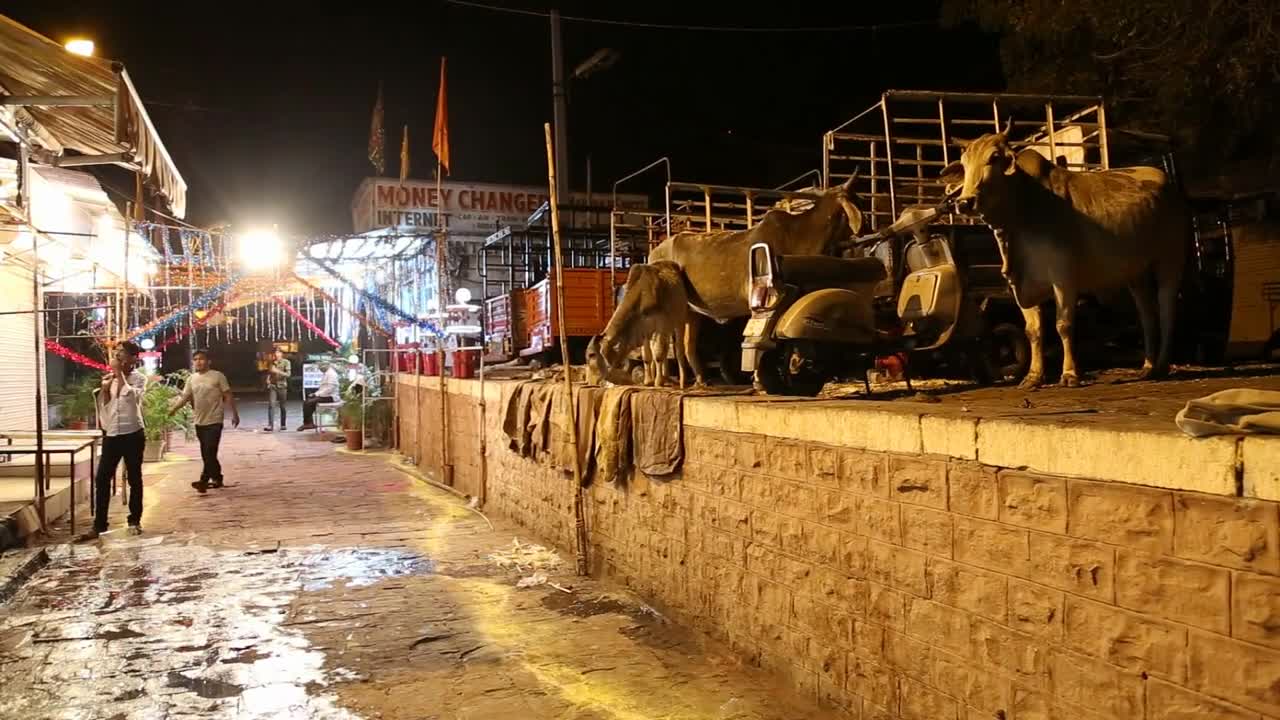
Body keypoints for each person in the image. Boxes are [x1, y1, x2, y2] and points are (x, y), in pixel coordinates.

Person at [81, 341, 147, 540]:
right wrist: (104, 390)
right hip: (112, 434)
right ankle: (99, 524)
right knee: (102, 478)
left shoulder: (139, 379)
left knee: (134, 478)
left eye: (123, 353)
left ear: (134, 358)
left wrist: (118, 375)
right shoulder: (110, 379)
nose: (118, 356)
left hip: (133, 433)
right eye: (117, 353)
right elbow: (106, 407)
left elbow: (131, 398)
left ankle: (134, 520)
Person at [170, 349, 240, 493]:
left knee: (209, 450)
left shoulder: (217, 376)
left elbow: (228, 394)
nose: (198, 362)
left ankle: (203, 480)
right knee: (207, 453)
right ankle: (217, 477)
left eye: (201, 359)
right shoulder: (192, 379)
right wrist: (173, 410)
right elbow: (185, 397)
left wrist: (234, 413)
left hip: (215, 419)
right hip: (199, 421)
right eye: (195, 359)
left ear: (209, 361)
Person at [299, 361, 339, 430]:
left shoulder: (331, 374)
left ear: (327, 366)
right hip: (325, 395)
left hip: (331, 396)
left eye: (321, 367)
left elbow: (329, 389)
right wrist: (315, 394)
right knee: (307, 401)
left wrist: (318, 395)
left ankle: (308, 423)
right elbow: (323, 388)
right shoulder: (326, 373)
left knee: (309, 403)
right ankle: (308, 422)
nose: (320, 369)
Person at [264, 347, 291, 432]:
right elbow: (269, 372)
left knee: (282, 406)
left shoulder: (286, 362)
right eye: (275, 353)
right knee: (271, 405)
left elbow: (288, 374)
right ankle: (270, 425)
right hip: (273, 386)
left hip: (282, 386)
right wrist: (268, 379)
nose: (277, 355)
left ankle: (283, 424)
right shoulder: (271, 363)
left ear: (281, 354)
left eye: (278, 353)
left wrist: (277, 371)